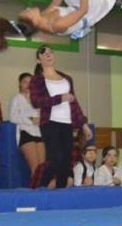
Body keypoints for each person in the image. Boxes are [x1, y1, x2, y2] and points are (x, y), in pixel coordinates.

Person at [28, 46, 92, 189]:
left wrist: (83, 125)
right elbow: (35, 102)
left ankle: (60, 193)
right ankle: (40, 186)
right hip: (49, 123)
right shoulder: (37, 80)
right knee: (55, 158)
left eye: (50, 52)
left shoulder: (67, 78)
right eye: (44, 54)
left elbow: (75, 104)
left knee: (65, 161)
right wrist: (60, 98)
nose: (48, 55)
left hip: (67, 123)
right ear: (39, 60)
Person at [9, 72, 45, 179]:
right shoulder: (16, 98)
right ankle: (35, 194)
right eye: (25, 82)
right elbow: (13, 117)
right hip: (25, 133)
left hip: (38, 133)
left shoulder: (35, 100)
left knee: (42, 168)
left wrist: (40, 119)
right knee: (35, 167)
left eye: (30, 82)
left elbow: (41, 116)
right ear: (20, 84)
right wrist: (30, 120)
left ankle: (41, 192)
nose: (28, 84)